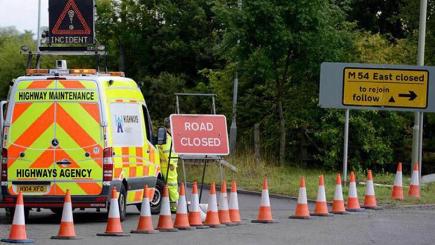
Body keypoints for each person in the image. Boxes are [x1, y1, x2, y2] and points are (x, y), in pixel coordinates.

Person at [158, 117, 179, 212]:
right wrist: (171, 163)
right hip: (169, 166)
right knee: (172, 185)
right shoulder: (167, 137)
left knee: (171, 185)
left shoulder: (166, 136)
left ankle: (172, 204)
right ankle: (175, 206)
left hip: (167, 165)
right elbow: (167, 152)